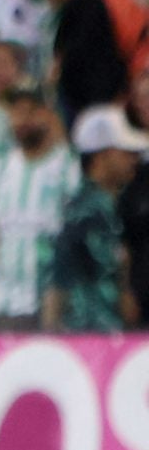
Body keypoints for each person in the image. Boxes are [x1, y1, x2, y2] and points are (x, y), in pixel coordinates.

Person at [0, 87, 79, 331]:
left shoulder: (69, 170)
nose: (23, 120)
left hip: (53, 302)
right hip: (4, 302)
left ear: (49, 115)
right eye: (17, 113)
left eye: (31, 112)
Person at [47, 105, 146, 332]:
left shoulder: (108, 203)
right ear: (101, 156)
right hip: (90, 331)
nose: (134, 160)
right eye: (126, 152)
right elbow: (62, 274)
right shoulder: (89, 209)